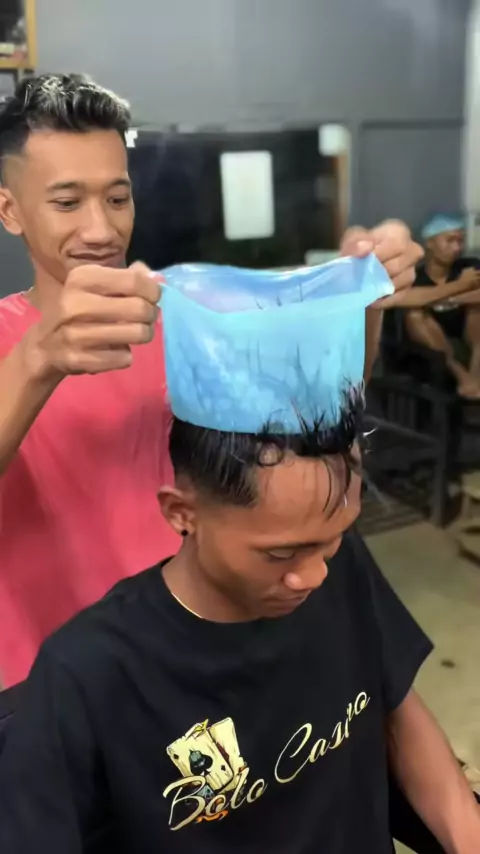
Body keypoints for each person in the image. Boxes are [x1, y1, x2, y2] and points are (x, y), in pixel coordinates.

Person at [0, 73, 421, 689]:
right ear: (10, 210)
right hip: (53, 677)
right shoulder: (10, 341)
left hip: (198, 643)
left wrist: (365, 295)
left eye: (116, 198)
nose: (100, 230)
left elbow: (316, 416)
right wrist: (38, 359)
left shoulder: (186, 310)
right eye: (67, 203)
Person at [1, 408, 479, 853]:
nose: (314, 575)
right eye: (281, 554)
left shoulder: (340, 567)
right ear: (182, 513)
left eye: (334, 538)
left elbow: (396, 711)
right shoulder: (89, 674)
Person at [403, 215, 480, 398]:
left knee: (477, 308)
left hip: (468, 334)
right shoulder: (414, 277)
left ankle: (475, 375)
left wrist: (448, 300)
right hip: (432, 343)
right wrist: (461, 287)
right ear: (430, 243)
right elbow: (406, 299)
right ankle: (462, 376)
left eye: (460, 241)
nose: (457, 248)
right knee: (414, 315)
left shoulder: (469, 267)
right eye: (450, 240)